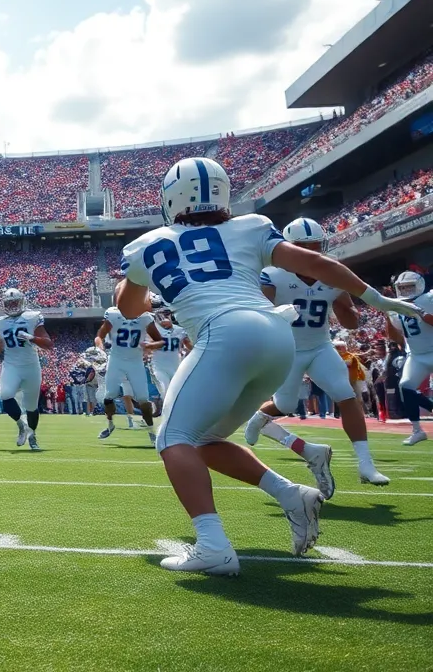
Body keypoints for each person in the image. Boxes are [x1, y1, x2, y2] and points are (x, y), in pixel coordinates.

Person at [117, 157, 421, 575]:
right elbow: (315, 264)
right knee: (203, 440)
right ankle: (290, 493)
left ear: (170, 199)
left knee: (172, 438)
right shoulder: (252, 225)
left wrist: (137, 280)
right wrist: (377, 298)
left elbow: (129, 308)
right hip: (277, 335)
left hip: (224, 333)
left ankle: (212, 545)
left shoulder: (145, 245)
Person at [242, 218, 389, 490]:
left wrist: (346, 308)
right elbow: (257, 314)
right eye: (303, 246)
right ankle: (260, 417)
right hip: (287, 348)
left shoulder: (332, 273)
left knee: (345, 394)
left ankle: (366, 464)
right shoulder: (273, 275)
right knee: (285, 405)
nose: (310, 252)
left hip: (320, 346)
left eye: (315, 246)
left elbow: (351, 323)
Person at [0, 288, 53, 449]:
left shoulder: (32, 317)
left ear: (22, 301)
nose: (12, 306)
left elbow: (48, 344)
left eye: (15, 302)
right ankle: (21, 425)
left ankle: (32, 436)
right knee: (5, 395)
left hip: (31, 366)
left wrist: (32, 338)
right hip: (11, 365)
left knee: (31, 406)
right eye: (9, 303)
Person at [94, 305, 164, 441]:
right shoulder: (113, 314)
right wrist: (100, 348)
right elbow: (99, 336)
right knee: (109, 396)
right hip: (116, 360)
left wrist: (150, 346)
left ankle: (151, 431)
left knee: (143, 399)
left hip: (135, 362)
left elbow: (160, 341)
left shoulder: (145, 318)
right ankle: (110, 424)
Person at [384, 270, 433, 445]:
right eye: (402, 288)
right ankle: (417, 430)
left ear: (419, 285)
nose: (406, 291)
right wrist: (388, 315)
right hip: (416, 355)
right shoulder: (397, 306)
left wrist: (420, 312)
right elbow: (395, 337)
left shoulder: (429, 299)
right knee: (406, 385)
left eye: (410, 287)